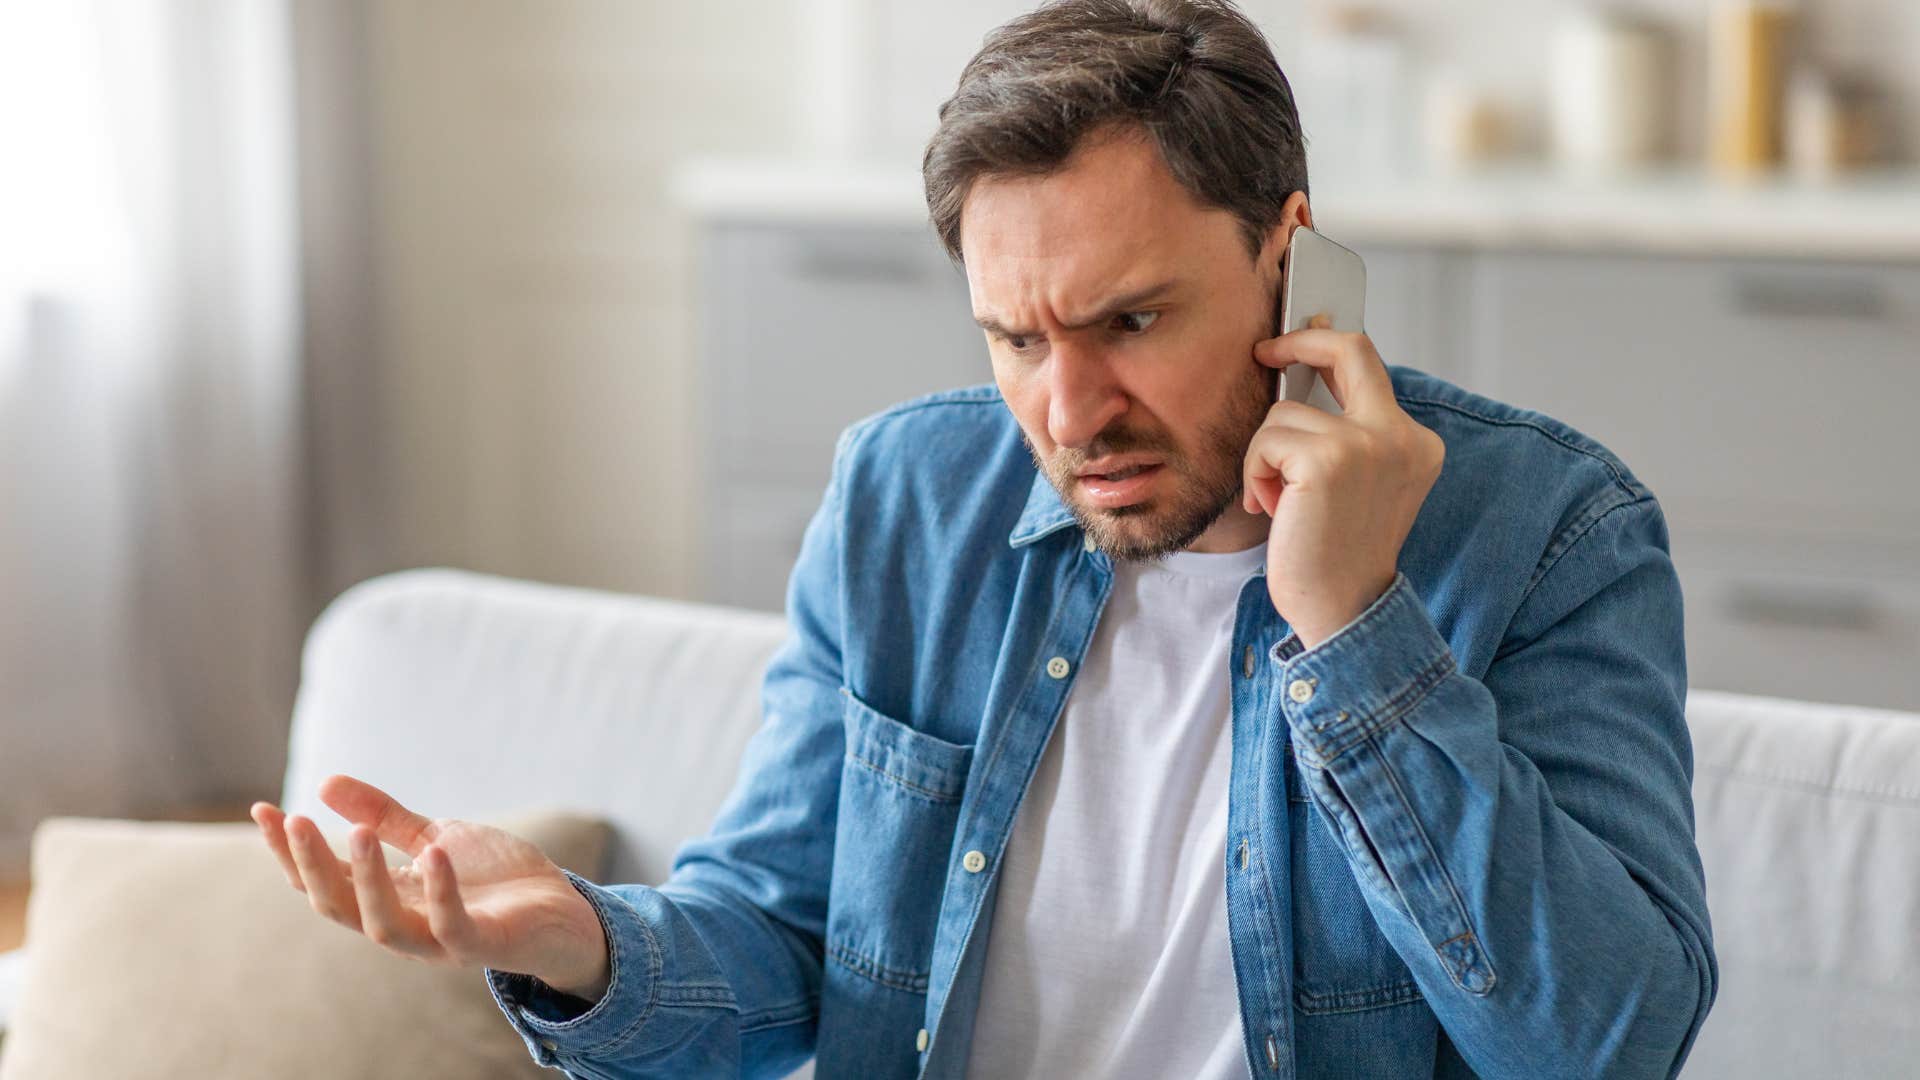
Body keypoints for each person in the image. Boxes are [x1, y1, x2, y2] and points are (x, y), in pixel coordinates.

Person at [252, 1, 1717, 1076]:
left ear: (1292, 258)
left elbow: (1608, 1043)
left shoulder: (1548, 533)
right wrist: (577, 936)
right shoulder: (906, 500)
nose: (1069, 410)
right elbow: (784, 944)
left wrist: (1351, 626)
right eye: (1015, 338)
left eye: (1130, 321)